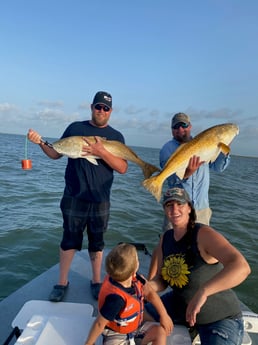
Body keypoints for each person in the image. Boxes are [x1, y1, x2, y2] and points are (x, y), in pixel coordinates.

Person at [27, 91, 128, 301]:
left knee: (97, 242)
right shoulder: (75, 128)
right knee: (69, 239)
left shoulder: (117, 137)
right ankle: (61, 282)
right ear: (92, 107)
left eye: (106, 108)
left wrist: (101, 152)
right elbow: (56, 153)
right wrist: (39, 142)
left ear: (111, 111)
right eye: (98, 107)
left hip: (101, 199)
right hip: (74, 195)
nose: (101, 111)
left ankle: (96, 281)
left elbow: (122, 168)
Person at [145, 187, 251, 345]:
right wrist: (146, 285)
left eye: (180, 204)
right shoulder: (166, 239)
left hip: (219, 318)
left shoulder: (203, 234)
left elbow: (242, 267)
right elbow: (162, 281)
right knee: (134, 314)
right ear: (165, 210)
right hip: (180, 305)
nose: (174, 209)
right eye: (169, 205)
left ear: (189, 207)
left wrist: (204, 291)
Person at [148, 112, 231, 279]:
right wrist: (188, 172)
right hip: (177, 207)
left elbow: (218, 167)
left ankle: (194, 278)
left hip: (200, 207)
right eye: (176, 127)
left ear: (190, 127)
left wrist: (224, 151)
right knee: (167, 243)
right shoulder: (167, 149)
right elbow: (172, 179)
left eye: (183, 125)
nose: (180, 129)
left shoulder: (205, 143)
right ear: (172, 130)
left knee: (201, 246)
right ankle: (159, 279)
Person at [84, 243, 173, 345]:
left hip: (136, 328)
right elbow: (99, 323)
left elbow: (151, 294)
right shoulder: (115, 299)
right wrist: (89, 343)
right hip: (116, 334)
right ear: (135, 268)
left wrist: (164, 315)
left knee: (160, 332)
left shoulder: (137, 279)